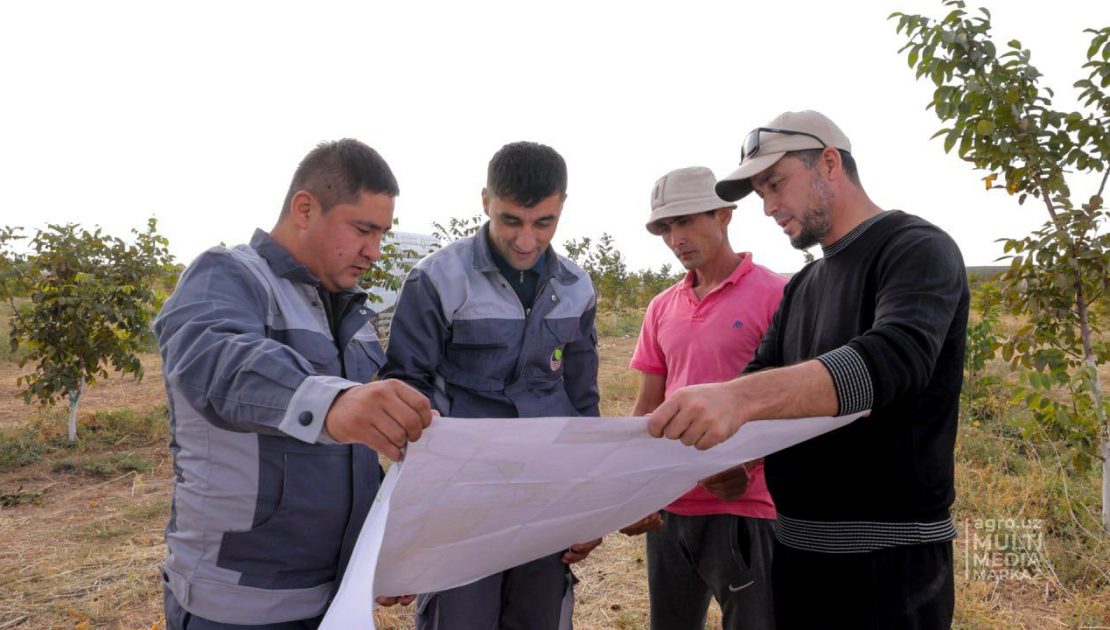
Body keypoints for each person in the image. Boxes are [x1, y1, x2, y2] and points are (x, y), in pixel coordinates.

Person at [647, 111, 969, 629]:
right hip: (796, 551)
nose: (769, 206)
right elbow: (760, 374)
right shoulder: (804, 284)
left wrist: (738, 401)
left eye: (776, 184)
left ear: (829, 163)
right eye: (760, 193)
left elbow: (896, 358)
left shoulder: (915, 247)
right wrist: (738, 454)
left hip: (892, 564)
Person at [155, 139, 433, 629]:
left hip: (337, 600)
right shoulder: (228, 275)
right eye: (363, 230)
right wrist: (332, 402)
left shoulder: (351, 314)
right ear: (305, 208)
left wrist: (380, 551)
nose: (374, 252)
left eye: (382, 234)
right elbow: (214, 359)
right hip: (238, 605)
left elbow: (349, 459)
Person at [381, 141, 602, 630]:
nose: (526, 240)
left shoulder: (577, 288)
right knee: (460, 617)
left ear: (562, 207)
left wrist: (587, 503)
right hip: (461, 500)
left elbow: (583, 403)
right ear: (486, 201)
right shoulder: (436, 280)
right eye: (511, 221)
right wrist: (415, 511)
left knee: (539, 616)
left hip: (545, 496)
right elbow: (404, 391)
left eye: (544, 223)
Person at [620, 166, 785, 630]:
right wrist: (633, 490)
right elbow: (648, 407)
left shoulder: (777, 295)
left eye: (686, 221)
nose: (676, 239)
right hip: (671, 506)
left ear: (723, 215)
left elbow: (792, 400)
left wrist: (745, 464)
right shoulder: (662, 307)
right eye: (666, 228)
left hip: (745, 507)